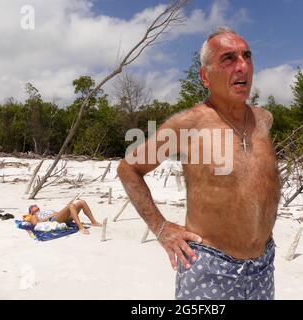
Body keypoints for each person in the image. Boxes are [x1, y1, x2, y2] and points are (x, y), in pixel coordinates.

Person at [117, 27, 281, 300]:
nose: (242, 66)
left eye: (247, 56)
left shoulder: (263, 119)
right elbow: (129, 169)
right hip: (210, 267)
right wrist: (161, 228)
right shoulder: (188, 125)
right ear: (205, 76)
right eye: (228, 59)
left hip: (263, 264)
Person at [26, 199, 102, 235]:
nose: (37, 209)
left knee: (82, 202)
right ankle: (81, 227)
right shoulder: (33, 216)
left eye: (38, 208)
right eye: (35, 209)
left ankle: (93, 222)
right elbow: (37, 224)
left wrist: (58, 213)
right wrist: (49, 216)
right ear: (31, 211)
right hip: (53, 221)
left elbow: (59, 213)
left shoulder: (44, 211)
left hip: (60, 217)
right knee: (70, 205)